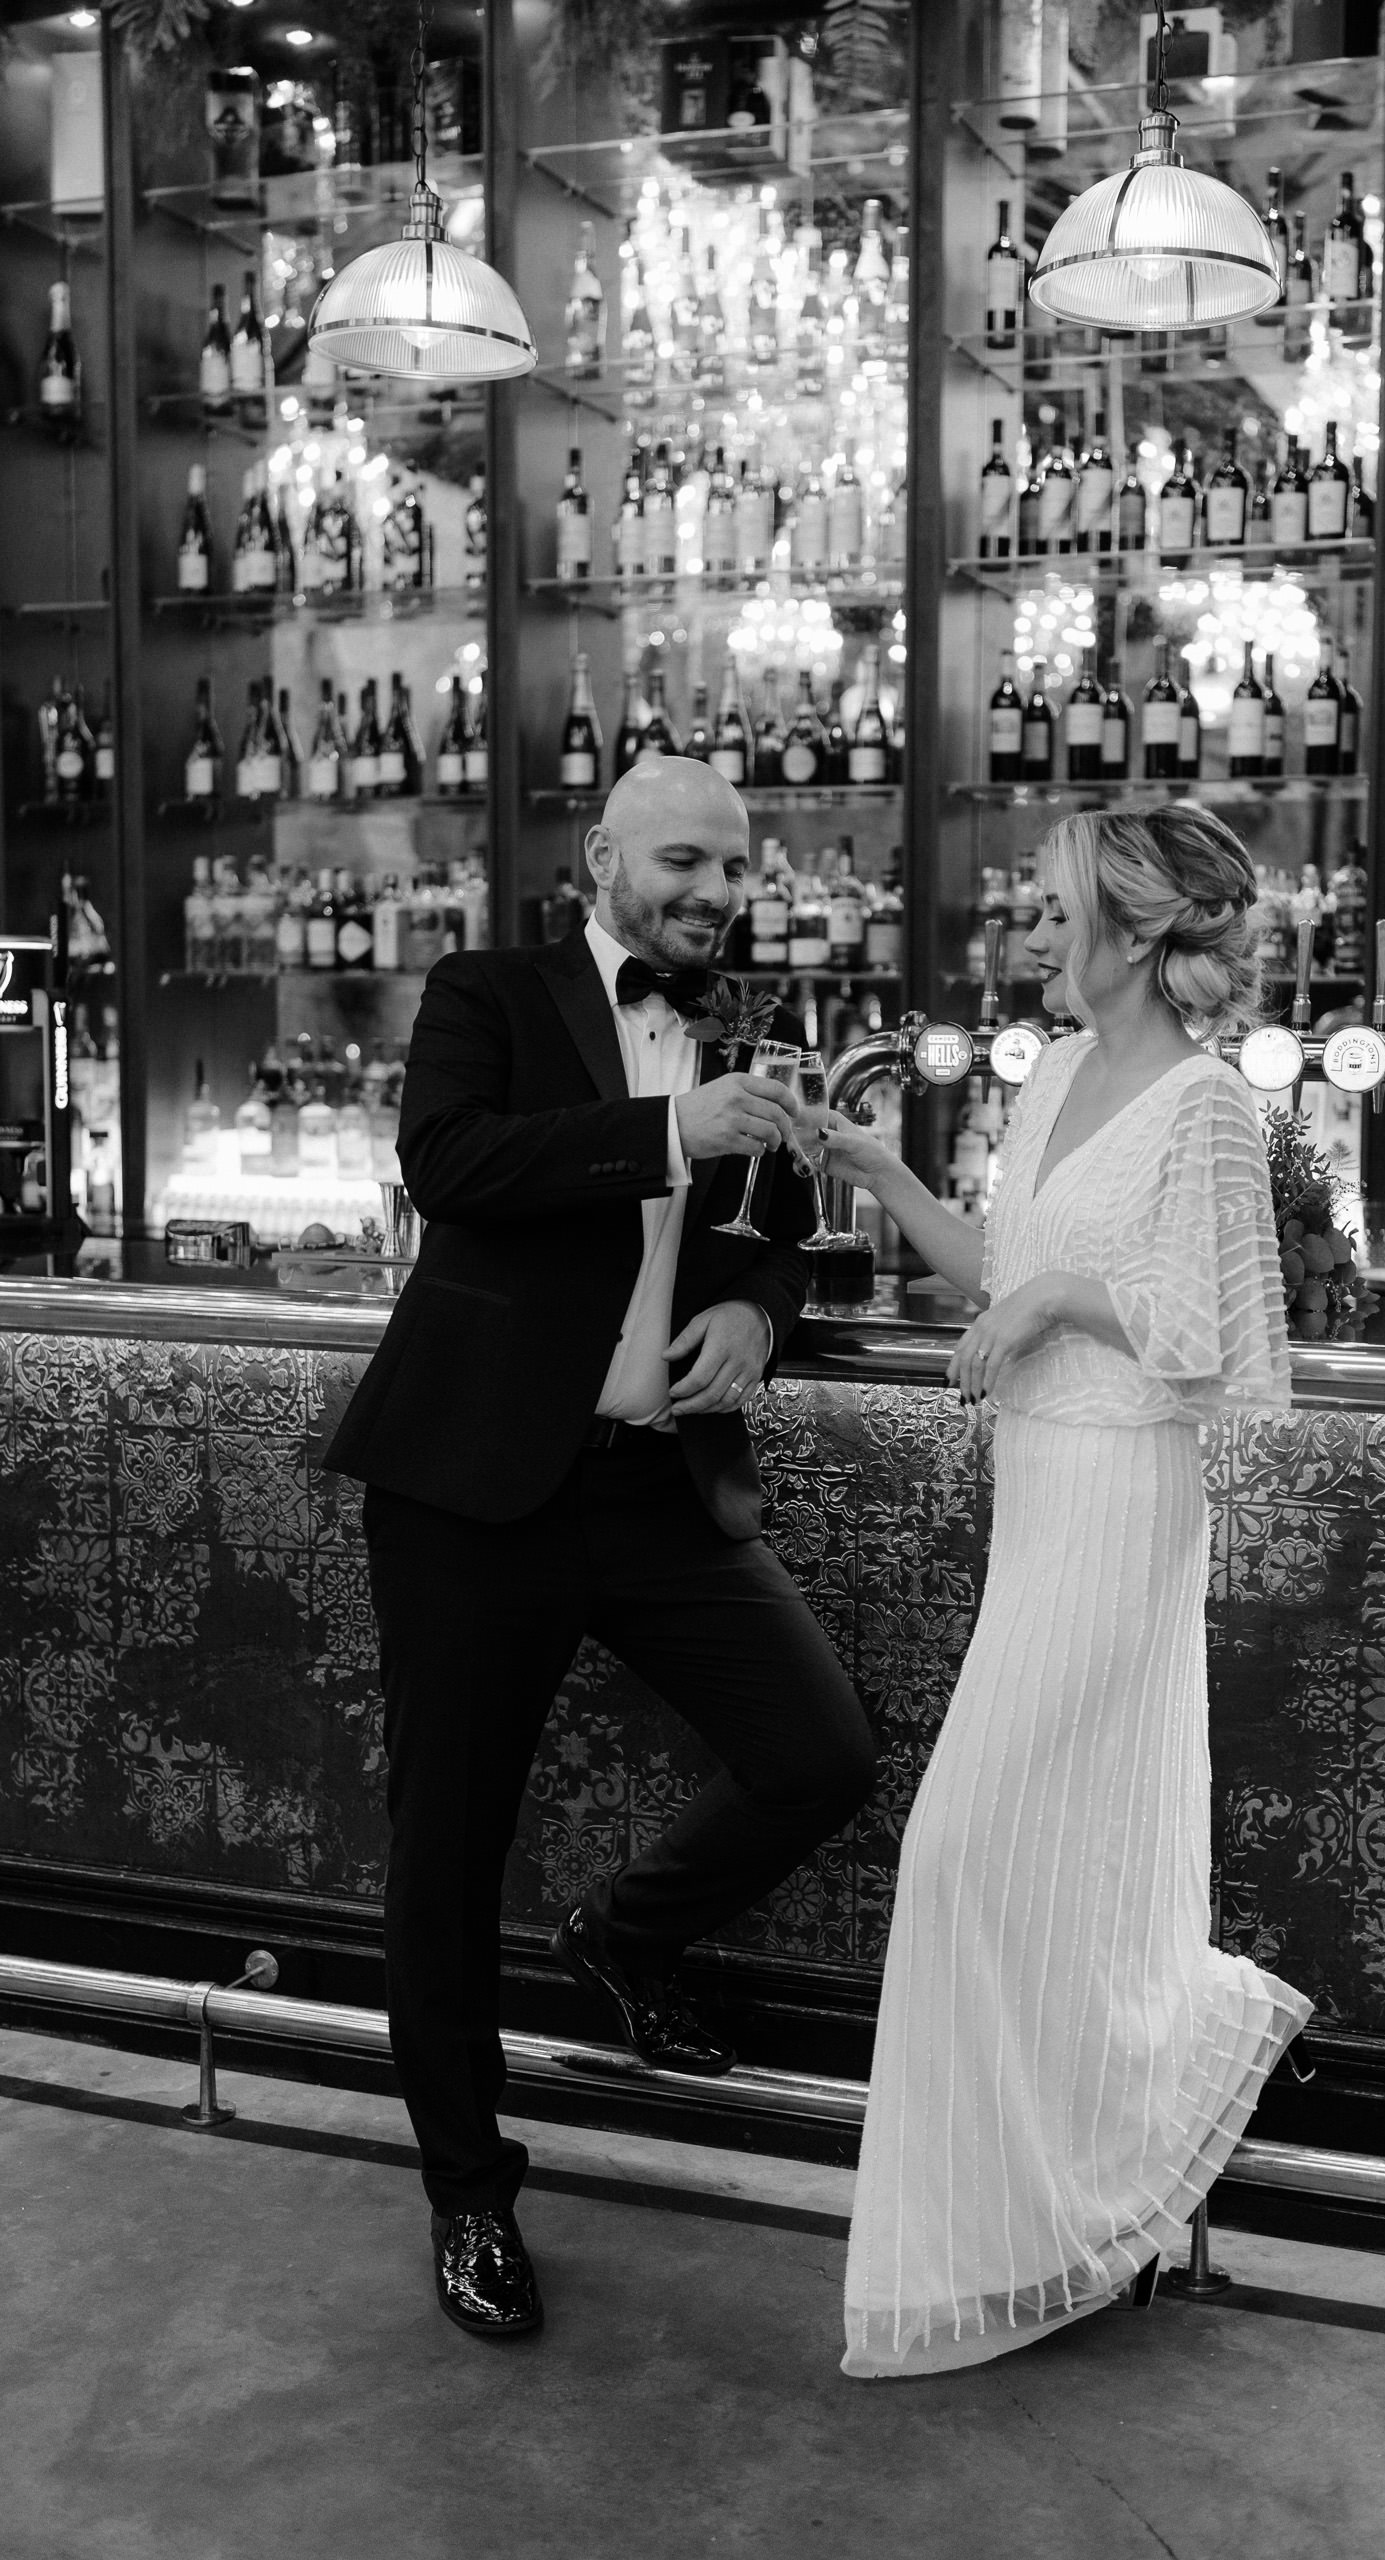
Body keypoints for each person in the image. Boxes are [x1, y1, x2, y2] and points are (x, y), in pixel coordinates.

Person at [323, 756, 874, 2342]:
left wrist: (756, 1311)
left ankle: (623, 1937)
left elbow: (781, 1229)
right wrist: (666, 1128)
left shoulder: (753, 1024)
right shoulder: (486, 992)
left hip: (655, 1493)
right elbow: (451, 1165)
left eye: (736, 869)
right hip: (471, 1488)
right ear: (603, 857)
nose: (717, 894)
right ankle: (469, 2193)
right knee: (447, 1852)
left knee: (820, 1752)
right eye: (687, 862)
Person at [823, 802, 1311, 2380]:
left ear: (1137, 928)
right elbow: (1000, 1264)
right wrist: (883, 1175)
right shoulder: (1048, 1079)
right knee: (1056, 1861)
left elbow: (1208, 1330)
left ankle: (1098, 2163)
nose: (1028, 930)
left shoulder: (1208, 1102)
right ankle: (1041, 2231)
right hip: (1036, 1496)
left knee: (965, 1849)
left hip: (1120, 1500)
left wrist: (1052, 1297)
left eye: (1053, 908)